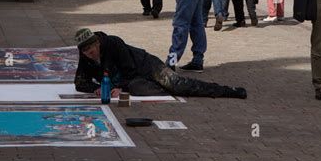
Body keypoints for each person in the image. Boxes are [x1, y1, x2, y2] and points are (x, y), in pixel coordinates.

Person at [74, 28, 246, 99]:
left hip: (146, 66)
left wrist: (118, 86)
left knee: (177, 85)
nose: (91, 55)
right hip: (132, 81)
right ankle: (163, 89)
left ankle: (226, 91)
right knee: (141, 90)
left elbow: (129, 68)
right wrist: (94, 89)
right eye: (87, 53)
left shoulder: (113, 43)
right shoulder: (86, 57)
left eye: (93, 50)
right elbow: (80, 83)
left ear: (97, 43)